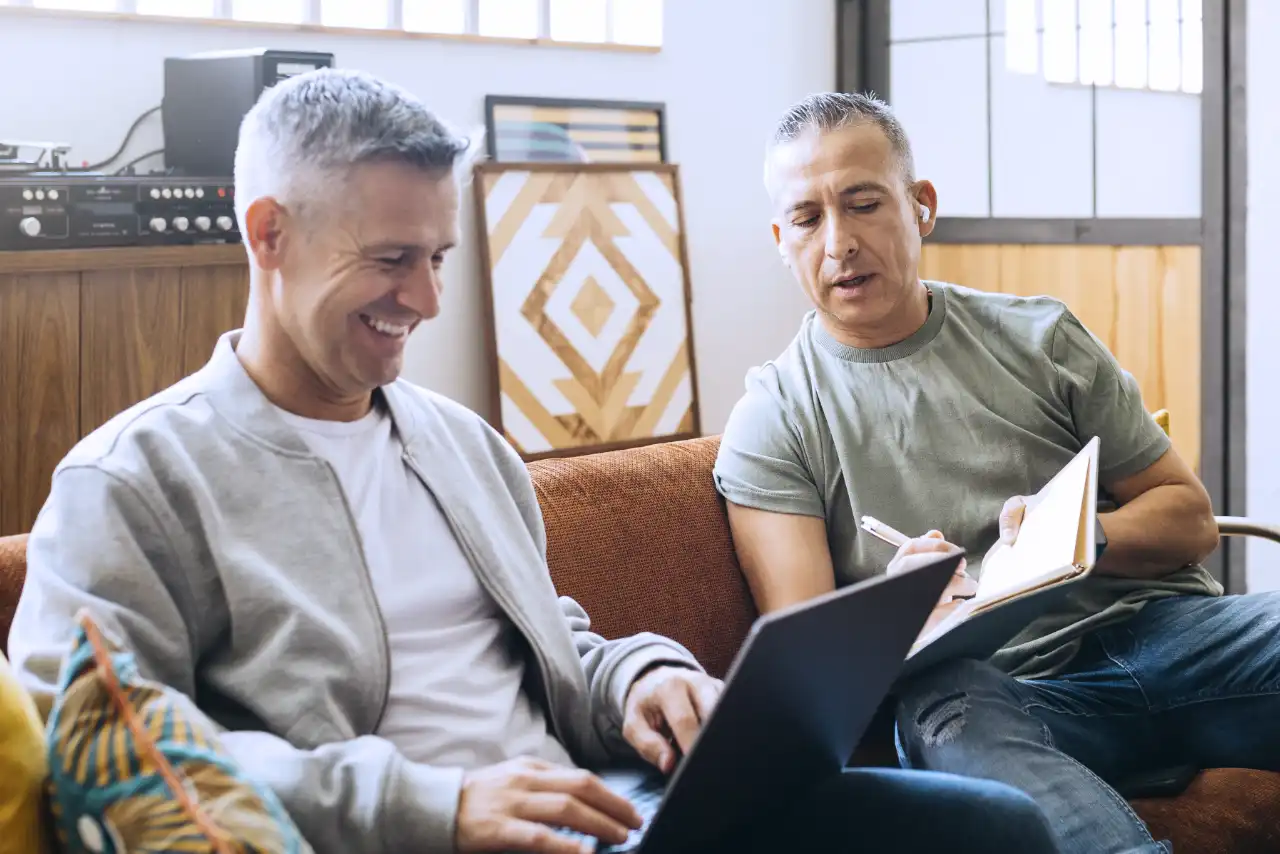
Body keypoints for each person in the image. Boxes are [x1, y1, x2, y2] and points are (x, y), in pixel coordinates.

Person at [6, 71, 1059, 854]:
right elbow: (113, 747)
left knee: (994, 829)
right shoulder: (132, 483)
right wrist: (441, 806)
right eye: (387, 259)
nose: (422, 300)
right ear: (268, 233)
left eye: (437, 259)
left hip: (607, 811)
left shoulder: (457, 442)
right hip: (425, 838)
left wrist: (644, 676)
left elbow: (552, 639)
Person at [713, 89, 1280, 854]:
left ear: (921, 206)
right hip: (987, 692)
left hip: (1167, 635)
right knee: (948, 717)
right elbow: (815, 676)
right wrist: (898, 605)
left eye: (863, 203)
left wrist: (1076, 538)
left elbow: (1189, 518)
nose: (839, 242)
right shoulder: (773, 418)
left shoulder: (1040, 336)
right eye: (810, 219)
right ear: (782, 240)